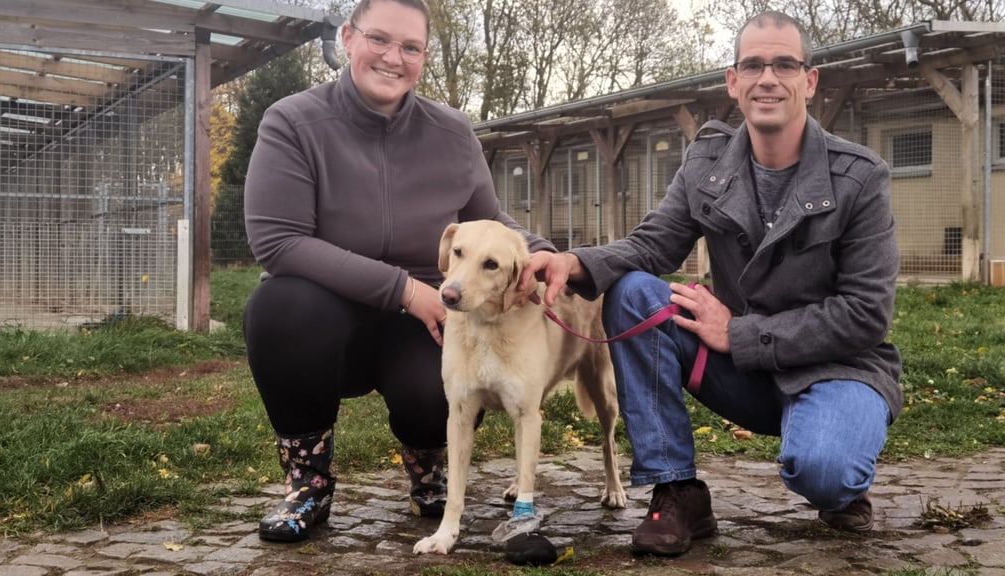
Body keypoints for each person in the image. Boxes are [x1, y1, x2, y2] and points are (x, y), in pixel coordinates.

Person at [520, 10, 902, 557]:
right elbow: (653, 246)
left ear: (809, 81)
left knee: (824, 471)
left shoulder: (859, 177)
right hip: (742, 374)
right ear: (733, 81)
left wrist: (742, 333)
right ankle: (677, 489)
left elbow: (866, 314)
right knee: (632, 294)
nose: (768, 78)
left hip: (836, 370)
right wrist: (573, 263)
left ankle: (842, 482)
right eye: (753, 65)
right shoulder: (708, 160)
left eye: (784, 64)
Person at [241, 0, 554, 543]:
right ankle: (307, 483)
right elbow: (277, 241)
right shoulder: (291, 121)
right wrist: (404, 289)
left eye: (410, 47)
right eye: (379, 39)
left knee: (441, 387)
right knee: (279, 307)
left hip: (426, 318)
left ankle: (431, 474)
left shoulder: (453, 132)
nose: (393, 57)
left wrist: (543, 252)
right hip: (327, 312)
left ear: (424, 58)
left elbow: (490, 221)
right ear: (347, 38)